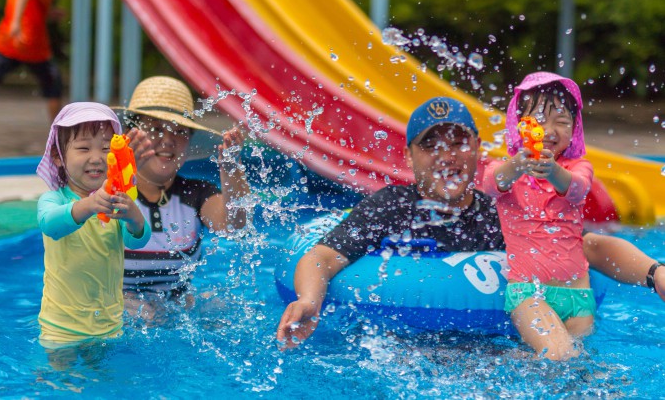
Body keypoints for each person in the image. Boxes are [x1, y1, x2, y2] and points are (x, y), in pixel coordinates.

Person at [276, 95, 665, 353]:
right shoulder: (390, 207)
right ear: (409, 156)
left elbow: (586, 246)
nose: (446, 156)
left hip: (492, 347)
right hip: (399, 348)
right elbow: (322, 257)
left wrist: (655, 272)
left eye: (458, 143)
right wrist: (309, 300)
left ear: (478, 148)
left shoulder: (502, 210)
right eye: (430, 146)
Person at [481, 71, 594, 360]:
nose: (550, 130)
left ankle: (512, 363)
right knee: (558, 354)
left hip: (579, 295)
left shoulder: (578, 167)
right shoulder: (506, 169)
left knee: (573, 365)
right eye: (539, 120)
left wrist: (553, 171)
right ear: (519, 124)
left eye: (562, 122)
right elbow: (491, 184)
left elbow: (578, 189)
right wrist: (518, 165)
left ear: (575, 128)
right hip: (529, 293)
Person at [117, 76, 251, 318]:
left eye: (179, 131)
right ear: (130, 135)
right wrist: (124, 171)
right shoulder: (109, 190)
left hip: (174, 305)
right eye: (156, 129)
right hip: (115, 302)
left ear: (189, 140)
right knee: (143, 315)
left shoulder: (195, 193)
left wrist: (231, 169)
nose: (168, 140)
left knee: (219, 309)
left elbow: (235, 226)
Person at [35, 102, 150, 367]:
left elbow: (137, 240)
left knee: (101, 379)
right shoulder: (54, 199)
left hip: (107, 325)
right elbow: (50, 224)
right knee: (60, 381)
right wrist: (89, 205)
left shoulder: (117, 201)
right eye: (84, 148)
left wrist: (134, 217)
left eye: (106, 148)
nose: (97, 157)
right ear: (58, 156)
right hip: (61, 327)